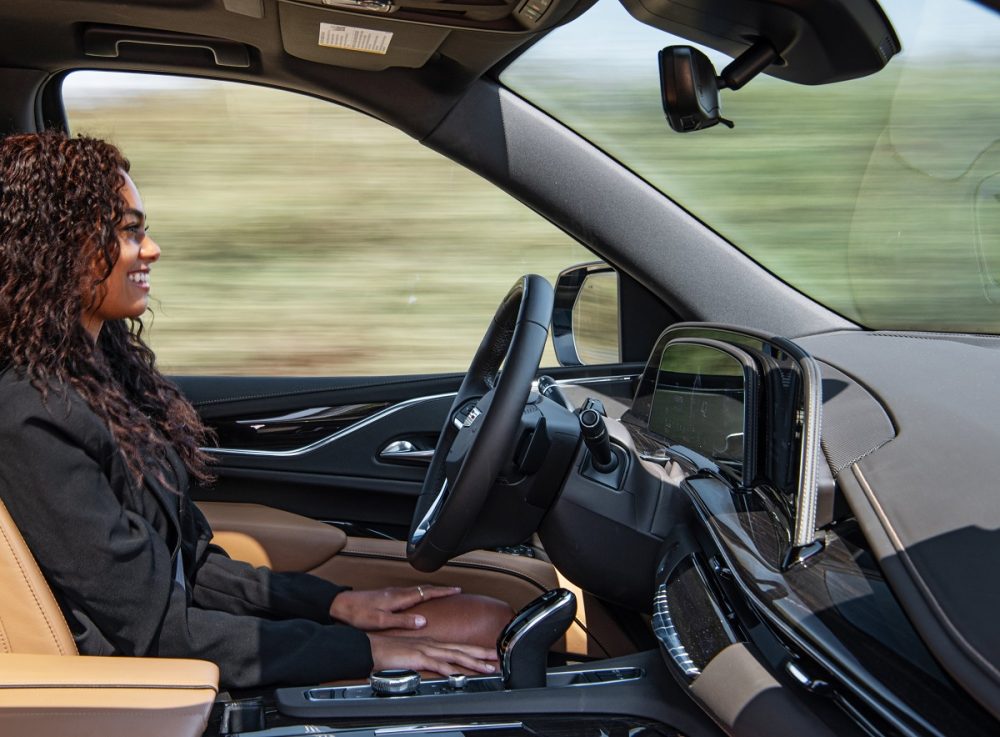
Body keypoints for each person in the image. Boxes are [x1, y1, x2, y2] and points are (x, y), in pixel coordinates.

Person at [0, 131, 509, 689]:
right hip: (148, 691)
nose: (151, 249)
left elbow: (187, 563)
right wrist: (364, 652)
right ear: (53, 245)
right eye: (128, 232)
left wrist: (339, 605)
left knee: (486, 617)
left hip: (181, 641)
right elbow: (150, 629)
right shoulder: (32, 415)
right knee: (480, 636)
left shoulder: (104, 378)